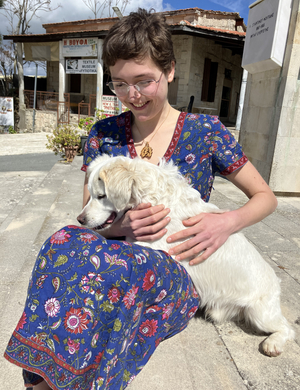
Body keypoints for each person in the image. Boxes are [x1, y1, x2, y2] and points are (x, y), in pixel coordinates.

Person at [4, 8, 277, 390]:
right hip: (120, 250)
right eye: (119, 84)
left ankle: (57, 381)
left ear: (169, 70)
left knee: (113, 273)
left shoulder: (206, 132)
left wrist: (226, 222)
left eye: (143, 80)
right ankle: (44, 371)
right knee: (63, 241)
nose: (132, 94)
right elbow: (88, 215)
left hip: (179, 271)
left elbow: (266, 197)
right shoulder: (104, 135)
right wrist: (121, 225)